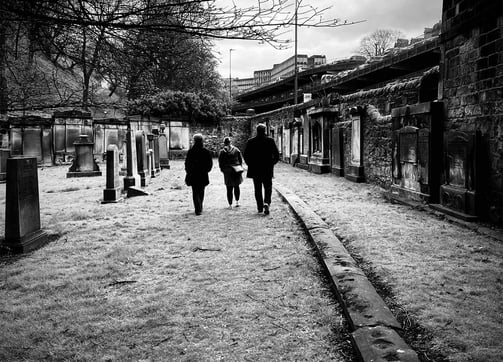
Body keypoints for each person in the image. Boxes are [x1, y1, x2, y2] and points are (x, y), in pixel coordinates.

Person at [243, 123, 280, 215]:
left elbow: (246, 155)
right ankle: (266, 202)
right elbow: (276, 154)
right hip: (267, 168)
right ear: (265, 131)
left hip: (255, 169)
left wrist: (250, 164)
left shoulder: (251, 141)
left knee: (257, 188)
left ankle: (259, 207)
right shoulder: (270, 141)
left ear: (257, 131)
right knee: (268, 187)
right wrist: (272, 163)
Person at [184, 134, 213, 215]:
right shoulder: (205, 151)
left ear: (194, 141)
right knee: (201, 191)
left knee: (195, 191)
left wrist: (189, 171)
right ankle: (199, 207)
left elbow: (187, 164)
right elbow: (209, 164)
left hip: (193, 174)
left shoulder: (191, 152)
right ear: (201, 141)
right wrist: (206, 170)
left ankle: (198, 208)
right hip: (202, 174)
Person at [218, 137, 244, 208]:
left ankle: (230, 204)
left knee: (229, 188)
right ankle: (237, 201)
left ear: (224, 143)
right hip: (236, 170)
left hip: (227, 171)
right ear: (230, 142)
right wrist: (239, 167)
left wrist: (223, 170)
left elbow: (220, 162)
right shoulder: (236, 150)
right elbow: (240, 160)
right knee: (236, 186)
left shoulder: (222, 152)